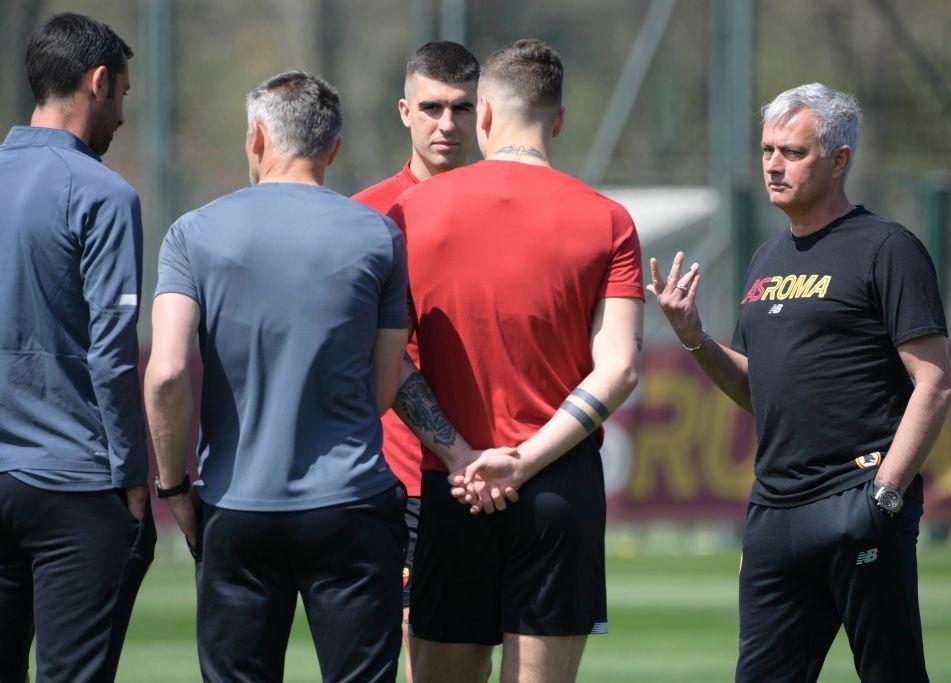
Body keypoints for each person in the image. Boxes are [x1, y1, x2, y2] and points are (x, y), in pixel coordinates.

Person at [649, 82, 951, 682]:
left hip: (858, 497)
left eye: (792, 152)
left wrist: (886, 494)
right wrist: (694, 337)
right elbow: (754, 391)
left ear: (839, 160)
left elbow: (935, 383)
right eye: (767, 150)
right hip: (774, 510)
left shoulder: (888, 249)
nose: (772, 164)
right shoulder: (766, 260)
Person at [387, 39, 645, 683]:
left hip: (454, 490)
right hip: (560, 489)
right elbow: (619, 369)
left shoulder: (409, 212)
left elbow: (387, 363)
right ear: (558, 120)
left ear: (485, 115)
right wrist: (523, 462)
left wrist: (461, 459)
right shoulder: (609, 220)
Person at [144, 71, 410, 682]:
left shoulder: (192, 233)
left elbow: (164, 375)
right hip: (350, 504)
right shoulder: (379, 235)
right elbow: (385, 388)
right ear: (333, 149)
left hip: (237, 507)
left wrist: (174, 488)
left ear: (257, 137)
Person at [0, 13, 155, 682]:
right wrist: (132, 475)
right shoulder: (104, 193)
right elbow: (114, 350)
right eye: (120, 94)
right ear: (98, 82)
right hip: (76, 482)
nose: (121, 114)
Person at [352, 40, 479, 682]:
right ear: (404, 111)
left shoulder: (508, 204)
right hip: (406, 478)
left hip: (508, 465)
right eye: (431, 107)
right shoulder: (369, 216)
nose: (446, 124)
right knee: (419, 655)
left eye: (461, 108)